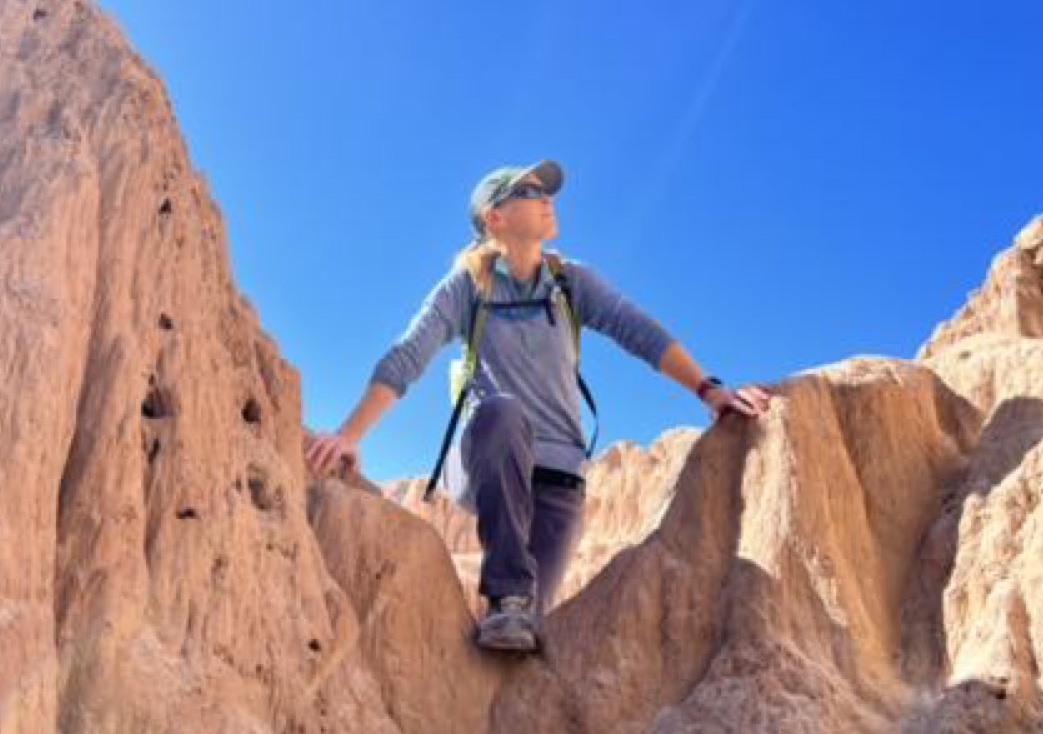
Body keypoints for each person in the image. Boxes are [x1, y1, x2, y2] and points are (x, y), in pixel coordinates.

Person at [306, 160, 770, 653]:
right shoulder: (466, 287)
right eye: (531, 191)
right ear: (495, 218)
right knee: (502, 415)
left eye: (548, 192)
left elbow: (641, 332)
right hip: (490, 459)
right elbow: (407, 356)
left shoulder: (572, 283)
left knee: (528, 640)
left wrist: (708, 389)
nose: (548, 199)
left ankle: (511, 610)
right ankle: (505, 595)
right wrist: (349, 434)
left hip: (558, 483)